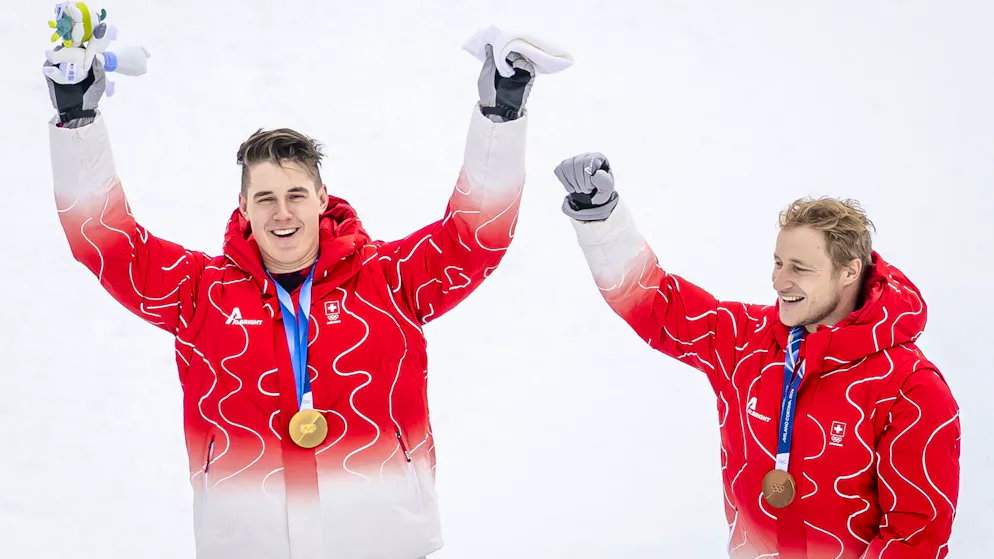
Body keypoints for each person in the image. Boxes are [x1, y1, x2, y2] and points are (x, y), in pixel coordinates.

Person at [43, 8, 563, 558]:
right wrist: (78, 123)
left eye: (295, 195)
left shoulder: (388, 280)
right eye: (265, 198)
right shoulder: (200, 293)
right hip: (247, 545)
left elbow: (475, 234)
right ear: (243, 206)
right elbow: (104, 241)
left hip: (381, 542)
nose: (281, 213)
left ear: (321, 198)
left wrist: (499, 115)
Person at [552, 152, 961, 558]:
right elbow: (655, 303)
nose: (779, 281)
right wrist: (600, 217)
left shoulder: (910, 388)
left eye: (799, 268)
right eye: (778, 262)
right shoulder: (748, 341)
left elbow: (915, 539)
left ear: (850, 271)